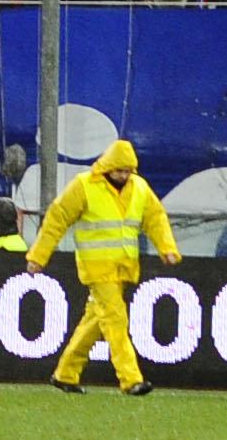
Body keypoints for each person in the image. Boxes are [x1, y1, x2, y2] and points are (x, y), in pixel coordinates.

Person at [26, 138, 180, 395]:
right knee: (116, 320)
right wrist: (38, 256)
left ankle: (65, 374)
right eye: (119, 170)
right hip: (97, 269)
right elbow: (57, 218)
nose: (123, 176)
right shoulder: (84, 186)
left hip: (123, 267)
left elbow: (155, 218)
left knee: (96, 320)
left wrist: (167, 247)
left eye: (128, 171)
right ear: (107, 166)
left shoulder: (139, 188)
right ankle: (131, 379)